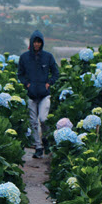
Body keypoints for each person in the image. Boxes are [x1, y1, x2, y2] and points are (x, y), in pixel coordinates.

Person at [17, 30, 59, 158]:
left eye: (39, 42)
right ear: (31, 42)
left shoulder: (48, 57)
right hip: (31, 94)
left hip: (44, 94)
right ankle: (38, 147)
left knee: (43, 119)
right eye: (35, 42)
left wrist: (49, 83)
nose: (37, 44)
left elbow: (56, 73)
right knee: (33, 122)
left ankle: (45, 139)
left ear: (42, 43)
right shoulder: (24, 57)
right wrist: (27, 84)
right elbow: (20, 74)